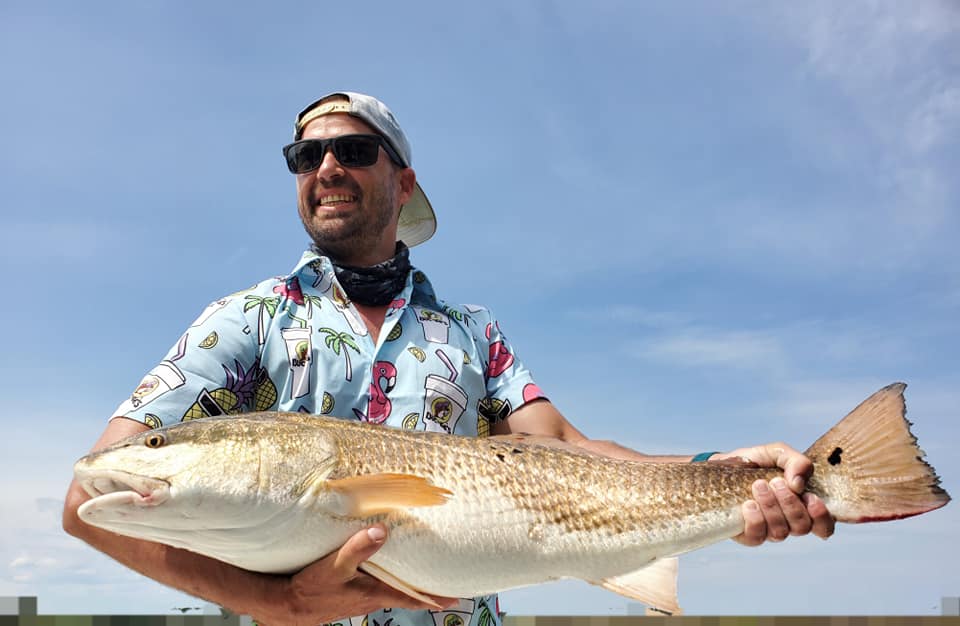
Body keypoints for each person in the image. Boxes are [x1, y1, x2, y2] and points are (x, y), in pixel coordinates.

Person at [63, 91, 835, 625]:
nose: (325, 168)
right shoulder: (245, 320)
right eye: (306, 155)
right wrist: (273, 603)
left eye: (352, 150)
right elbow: (83, 505)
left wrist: (723, 469)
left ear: (402, 182)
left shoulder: (473, 331)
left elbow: (565, 452)